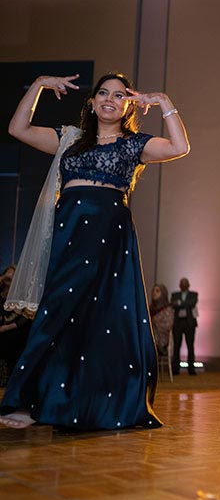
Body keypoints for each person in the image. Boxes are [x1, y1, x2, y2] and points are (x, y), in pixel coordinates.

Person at [0, 72, 190, 429]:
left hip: (110, 236)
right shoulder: (69, 140)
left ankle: (97, 405)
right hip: (69, 232)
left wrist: (164, 101)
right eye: (103, 93)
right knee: (57, 311)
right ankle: (27, 401)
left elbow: (180, 147)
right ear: (91, 102)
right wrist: (39, 84)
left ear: (128, 105)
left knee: (106, 318)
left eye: (119, 96)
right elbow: (18, 129)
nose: (109, 99)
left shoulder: (134, 144)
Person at [0, 266, 32, 387]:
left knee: (12, 338)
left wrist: (6, 327)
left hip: (14, 328)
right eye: (6, 276)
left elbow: (25, 319)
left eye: (12, 276)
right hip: (3, 325)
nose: (9, 279)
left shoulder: (21, 295)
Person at [171, 278, 198, 376]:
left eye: (185, 283)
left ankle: (191, 369)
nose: (183, 285)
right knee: (176, 346)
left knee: (190, 346)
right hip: (178, 323)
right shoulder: (175, 295)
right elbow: (173, 305)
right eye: (181, 283)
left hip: (189, 323)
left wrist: (179, 303)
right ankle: (175, 369)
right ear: (179, 285)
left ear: (189, 285)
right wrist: (184, 304)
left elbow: (192, 303)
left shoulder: (194, 294)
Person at [149, 284, 173, 358]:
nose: (154, 293)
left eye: (157, 291)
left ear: (163, 294)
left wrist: (153, 324)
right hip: (149, 337)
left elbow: (168, 326)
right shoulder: (149, 308)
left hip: (160, 340)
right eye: (153, 291)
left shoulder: (167, 309)